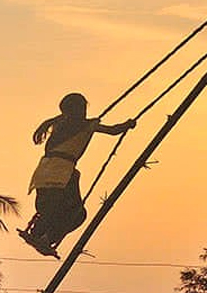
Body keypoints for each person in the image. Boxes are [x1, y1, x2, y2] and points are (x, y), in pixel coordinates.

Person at [19, 92, 135, 257]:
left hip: (44, 171)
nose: (84, 111)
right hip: (62, 172)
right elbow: (113, 131)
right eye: (82, 108)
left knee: (49, 206)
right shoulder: (85, 124)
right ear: (78, 109)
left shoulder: (59, 122)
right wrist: (128, 124)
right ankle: (47, 237)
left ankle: (40, 233)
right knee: (76, 213)